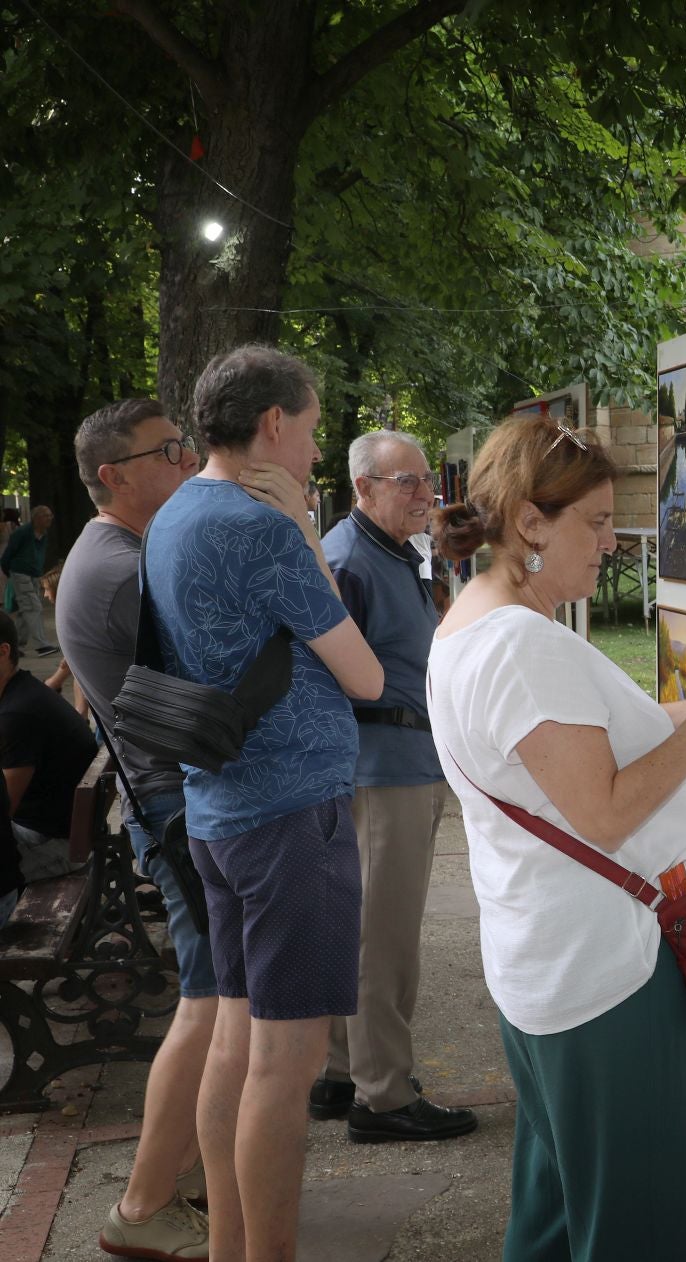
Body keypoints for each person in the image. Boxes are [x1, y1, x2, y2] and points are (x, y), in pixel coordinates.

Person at [426, 417, 686, 1260]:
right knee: (641, 1227)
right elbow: (605, 809)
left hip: (553, 966)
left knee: (558, 1214)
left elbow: (588, 748)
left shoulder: (474, 625)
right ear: (529, 523)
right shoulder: (523, 646)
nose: (611, 541)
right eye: (594, 521)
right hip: (606, 975)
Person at [144, 345, 384, 1260]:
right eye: (313, 430)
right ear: (273, 425)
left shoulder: (174, 515)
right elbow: (361, 675)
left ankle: (231, 1250)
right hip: (291, 816)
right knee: (285, 1068)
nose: (314, 452)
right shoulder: (261, 527)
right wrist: (307, 537)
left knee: (237, 1041)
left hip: (219, 811)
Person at [60, 397, 218, 1259]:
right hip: (179, 806)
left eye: (186, 443)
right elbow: (200, 702)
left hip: (169, 801)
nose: (188, 460)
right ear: (114, 476)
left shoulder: (118, 551)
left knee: (214, 1000)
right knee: (210, 1002)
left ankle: (182, 1181)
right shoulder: (124, 567)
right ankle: (142, 1205)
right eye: (168, 451)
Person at [310, 431, 476, 1143]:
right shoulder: (348, 559)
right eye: (404, 482)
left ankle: (343, 1070)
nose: (424, 494)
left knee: (364, 930)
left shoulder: (384, 553)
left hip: (399, 761)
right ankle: (381, 1097)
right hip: (380, 770)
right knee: (385, 939)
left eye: (425, 481)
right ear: (363, 489)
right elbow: (321, 676)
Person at [0, 610, 96, 883]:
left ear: (3, 651)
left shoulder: (18, 715)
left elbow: (3, 807)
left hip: (53, 844)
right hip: (63, 831)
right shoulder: (23, 691)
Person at [0, 506, 58, 655]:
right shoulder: (22, 533)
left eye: (50, 515)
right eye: (46, 515)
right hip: (21, 573)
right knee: (33, 607)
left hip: (33, 575)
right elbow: (8, 554)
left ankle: (15, 645)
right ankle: (41, 645)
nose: (50, 518)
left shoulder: (43, 533)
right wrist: (11, 573)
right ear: (36, 518)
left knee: (23, 610)